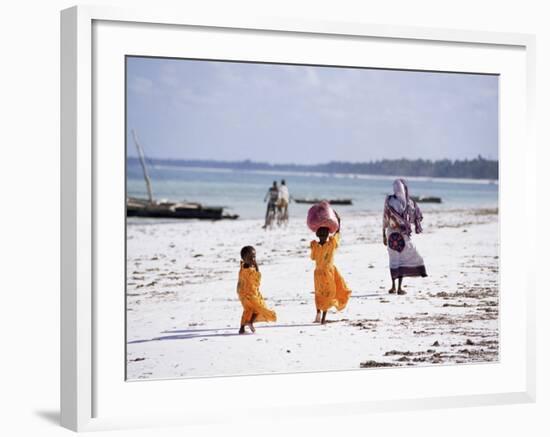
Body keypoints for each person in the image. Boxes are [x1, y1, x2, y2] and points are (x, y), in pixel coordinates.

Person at [382, 179, 427, 295]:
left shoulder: (389, 201)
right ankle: (399, 288)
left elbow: (385, 219)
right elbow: (415, 217)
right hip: (403, 234)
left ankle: (392, 287)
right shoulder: (409, 203)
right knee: (402, 259)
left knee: (393, 260)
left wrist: (383, 235)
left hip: (391, 234)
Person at [310, 211, 351, 324]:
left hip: (325, 273)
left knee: (326, 294)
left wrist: (338, 221)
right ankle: (319, 315)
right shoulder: (321, 245)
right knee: (320, 295)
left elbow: (337, 233)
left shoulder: (329, 244)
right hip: (321, 274)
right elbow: (313, 257)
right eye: (321, 233)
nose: (323, 235)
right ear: (317, 234)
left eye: (324, 233)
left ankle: (322, 317)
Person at [236, 246, 277, 334]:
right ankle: (249, 322)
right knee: (260, 308)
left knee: (248, 310)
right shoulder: (250, 270)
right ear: (244, 258)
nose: (253, 259)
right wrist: (257, 268)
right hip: (251, 294)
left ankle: (242, 327)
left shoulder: (242, 266)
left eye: (254, 257)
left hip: (242, 293)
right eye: (250, 257)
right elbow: (257, 281)